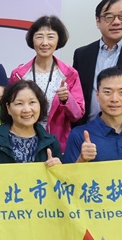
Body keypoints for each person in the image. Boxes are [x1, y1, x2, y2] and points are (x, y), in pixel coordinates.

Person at [10, 15, 84, 152]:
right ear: (32, 40)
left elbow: (77, 115)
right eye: (39, 37)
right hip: (23, 141)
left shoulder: (69, 74)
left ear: (58, 40)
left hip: (57, 143)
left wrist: (67, 99)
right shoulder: (19, 74)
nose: (44, 43)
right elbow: (9, 111)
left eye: (50, 37)